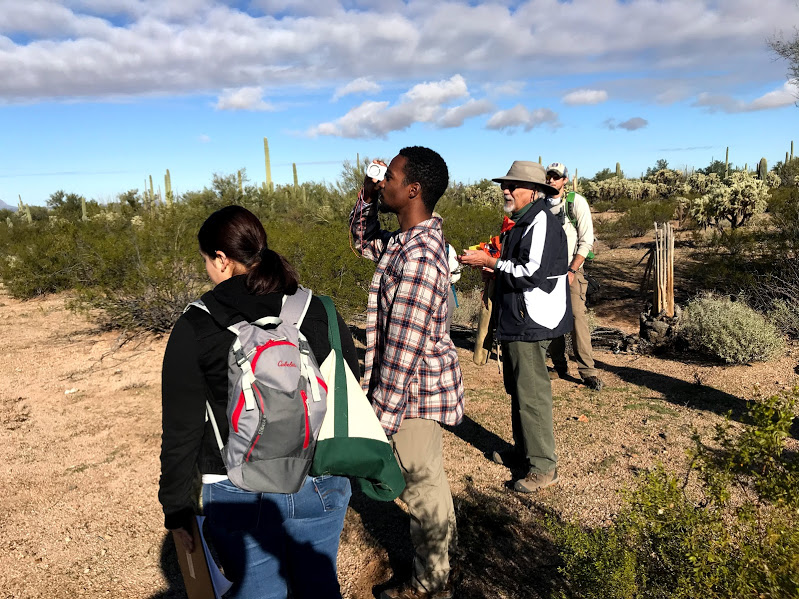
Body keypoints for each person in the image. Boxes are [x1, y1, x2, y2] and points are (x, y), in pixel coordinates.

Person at [158, 205, 358, 599]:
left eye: (206, 260)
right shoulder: (319, 309)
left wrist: (176, 508)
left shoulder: (196, 324)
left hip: (237, 488)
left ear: (221, 258)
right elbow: (347, 390)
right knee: (319, 589)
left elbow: (181, 429)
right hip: (319, 478)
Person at [349, 147, 464, 599]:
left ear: (413, 189)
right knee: (429, 477)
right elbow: (362, 242)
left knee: (419, 484)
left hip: (412, 392)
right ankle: (444, 559)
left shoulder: (418, 257)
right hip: (414, 388)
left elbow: (402, 351)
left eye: (392, 176)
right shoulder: (405, 240)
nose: (386, 180)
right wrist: (366, 195)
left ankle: (430, 584)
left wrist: (380, 417)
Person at [459, 161, 571, 493]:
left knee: (532, 393)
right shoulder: (522, 222)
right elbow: (517, 266)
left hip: (531, 321)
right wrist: (491, 263)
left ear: (534, 191)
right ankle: (524, 452)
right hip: (518, 318)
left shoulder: (540, 222)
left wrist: (490, 263)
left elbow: (531, 273)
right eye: (505, 185)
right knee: (518, 388)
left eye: (514, 185)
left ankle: (543, 466)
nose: (507, 190)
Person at [545, 162, 604, 391]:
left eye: (556, 177)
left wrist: (572, 270)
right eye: (549, 176)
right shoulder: (540, 204)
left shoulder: (575, 203)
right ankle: (559, 367)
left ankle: (588, 371)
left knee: (578, 319)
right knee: (553, 320)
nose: (551, 180)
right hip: (547, 273)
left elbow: (586, 239)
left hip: (571, 271)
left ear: (565, 180)